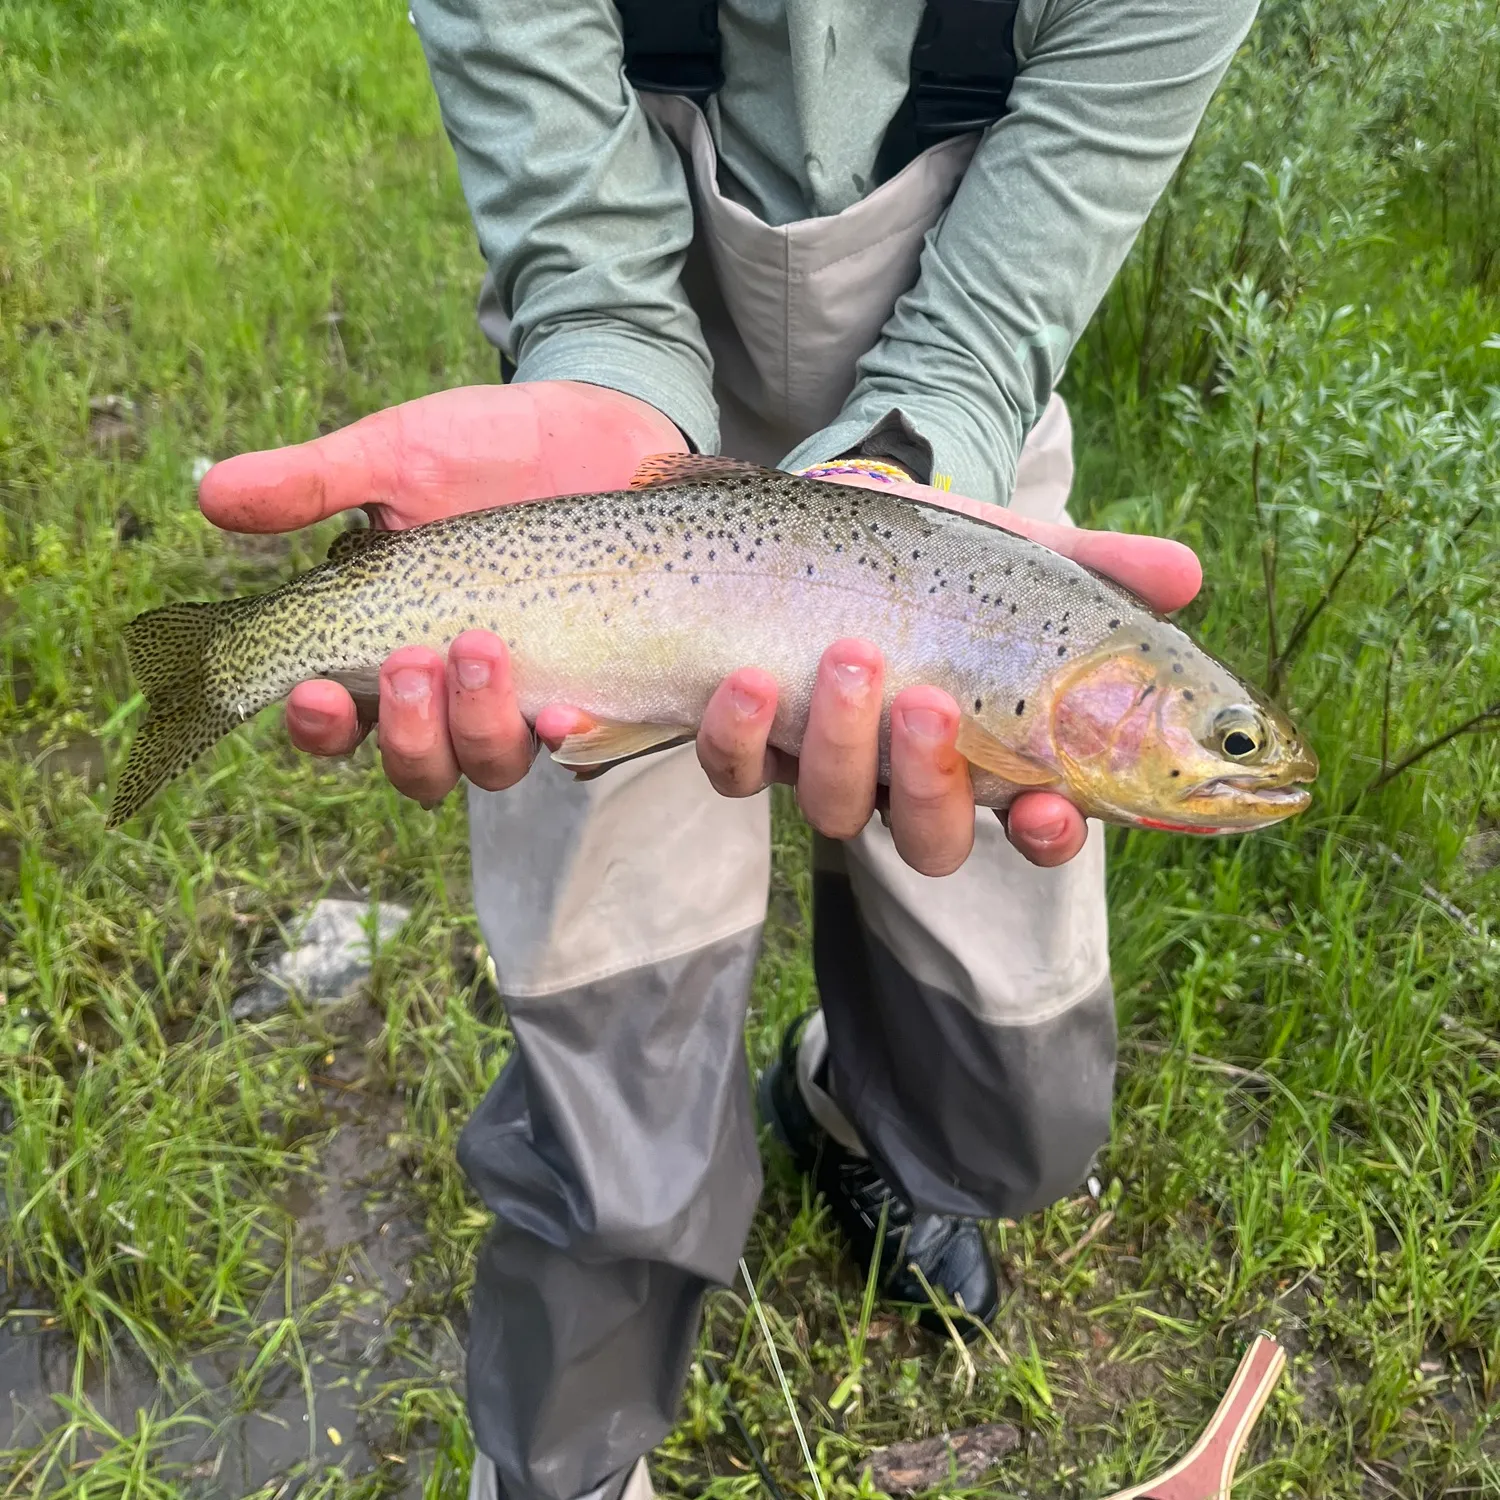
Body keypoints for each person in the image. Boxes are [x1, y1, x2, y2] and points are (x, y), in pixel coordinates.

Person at [199, 2, 1259, 1497]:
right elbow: (584, 246)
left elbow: (988, 320)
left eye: (1222, 744)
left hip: (955, 471)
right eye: (1223, 740)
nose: (1233, 760)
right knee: (607, 1067)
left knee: (1023, 1100)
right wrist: (604, 380)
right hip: (611, 456)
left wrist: (906, 459)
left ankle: (841, 1101)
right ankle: (571, 1464)